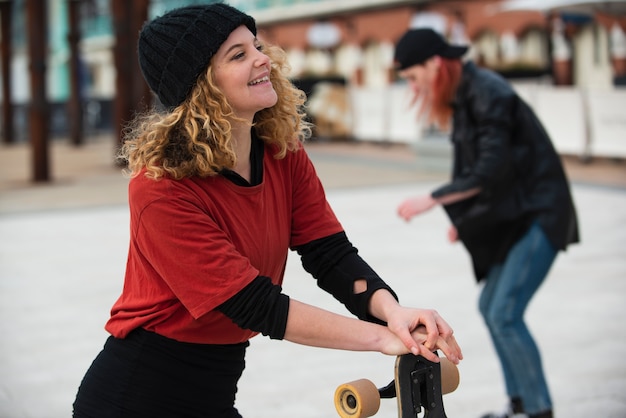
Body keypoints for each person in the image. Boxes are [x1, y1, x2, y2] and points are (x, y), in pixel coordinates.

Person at [72, 5, 462, 418]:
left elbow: (329, 255)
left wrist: (392, 313)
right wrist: (380, 339)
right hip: (135, 397)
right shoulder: (160, 189)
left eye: (255, 45)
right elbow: (255, 304)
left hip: (215, 392)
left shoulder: (282, 153)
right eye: (237, 55)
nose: (263, 58)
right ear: (201, 88)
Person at [393, 29, 579, 418]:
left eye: (413, 76)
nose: (414, 86)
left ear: (434, 63)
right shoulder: (467, 94)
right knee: (492, 306)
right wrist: (468, 221)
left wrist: (433, 198)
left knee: (503, 312)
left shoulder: (489, 93)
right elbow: (487, 171)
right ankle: (520, 405)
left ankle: (538, 410)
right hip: (519, 214)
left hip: (540, 215)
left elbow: (490, 170)